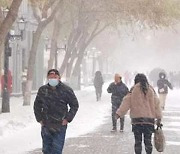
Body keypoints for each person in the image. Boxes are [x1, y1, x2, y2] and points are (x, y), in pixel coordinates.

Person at [34, 69, 79, 154]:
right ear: (47, 78)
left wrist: (68, 118)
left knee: (56, 150)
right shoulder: (43, 90)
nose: (53, 79)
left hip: (60, 124)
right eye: (51, 77)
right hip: (46, 124)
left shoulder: (66, 90)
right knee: (47, 149)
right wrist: (39, 119)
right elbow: (37, 105)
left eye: (55, 77)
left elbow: (74, 105)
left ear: (59, 78)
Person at [116, 73, 162, 154]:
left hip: (137, 121)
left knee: (138, 142)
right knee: (148, 142)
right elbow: (157, 105)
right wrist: (159, 117)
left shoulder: (133, 90)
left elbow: (126, 102)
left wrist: (119, 113)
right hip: (149, 121)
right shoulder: (151, 90)